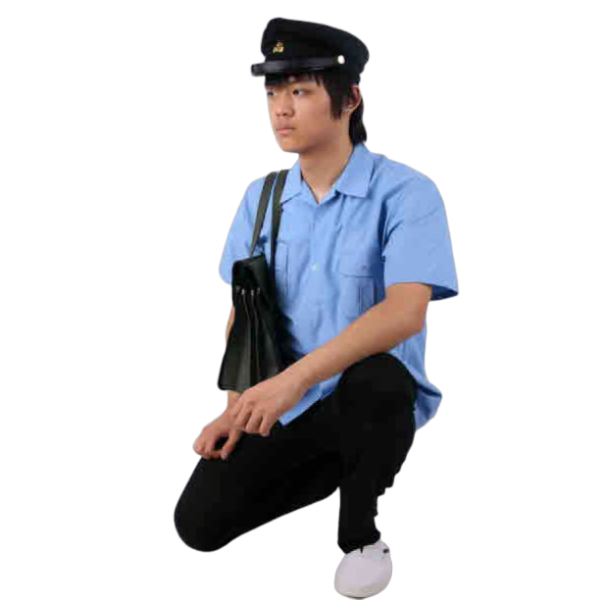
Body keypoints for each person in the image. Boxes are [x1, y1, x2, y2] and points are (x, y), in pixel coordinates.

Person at [173, 16, 459, 598]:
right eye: (272, 92)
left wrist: (292, 381)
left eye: (300, 91)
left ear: (350, 99)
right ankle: (348, 468)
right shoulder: (261, 197)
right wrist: (236, 405)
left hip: (369, 396)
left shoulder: (407, 193)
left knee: (379, 378)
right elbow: (245, 312)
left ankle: (361, 530)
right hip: (290, 404)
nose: (281, 109)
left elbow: (405, 313)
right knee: (197, 526)